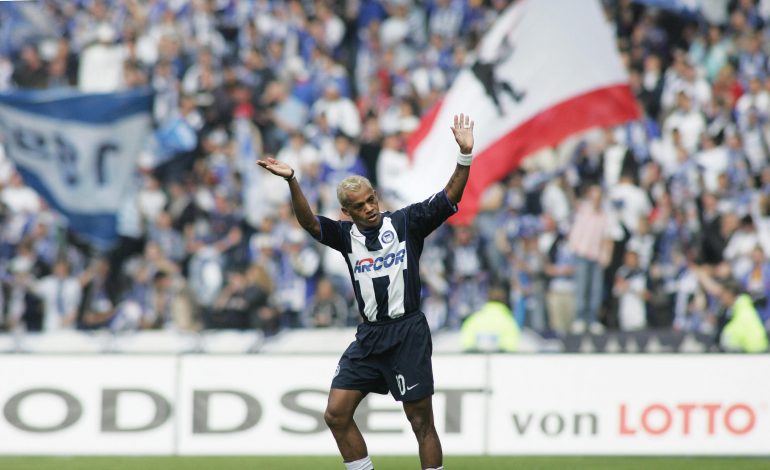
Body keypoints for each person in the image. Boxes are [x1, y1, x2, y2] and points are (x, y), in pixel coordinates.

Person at [257, 113, 475, 470]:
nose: (370, 208)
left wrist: (464, 154)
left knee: (422, 424)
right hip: (371, 337)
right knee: (335, 414)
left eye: (371, 200)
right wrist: (293, 180)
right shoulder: (346, 237)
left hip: (407, 332)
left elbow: (450, 196)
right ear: (347, 212)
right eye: (359, 206)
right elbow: (310, 223)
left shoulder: (406, 222)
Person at [461, 283, 520, 352]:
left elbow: (466, 346)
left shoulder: (473, 320)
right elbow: (511, 349)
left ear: (487, 299)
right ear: (505, 301)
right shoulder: (509, 322)